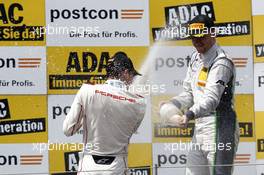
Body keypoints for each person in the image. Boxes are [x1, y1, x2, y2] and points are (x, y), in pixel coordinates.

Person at [159, 15, 239, 175]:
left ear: (213, 33)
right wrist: (173, 104)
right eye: (193, 37)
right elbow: (189, 93)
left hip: (221, 126)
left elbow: (211, 100)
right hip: (200, 126)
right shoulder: (195, 58)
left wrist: (188, 114)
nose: (197, 41)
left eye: (201, 36)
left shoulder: (222, 61)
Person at [63, 51, 146, 175]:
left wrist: (88, 112)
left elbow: (68, 130)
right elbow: (131, 129)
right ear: (125, 72)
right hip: (117, 167)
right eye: (132, 75)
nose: (132, 80)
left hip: (89, 166)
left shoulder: (87, 91)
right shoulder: (139, 103)